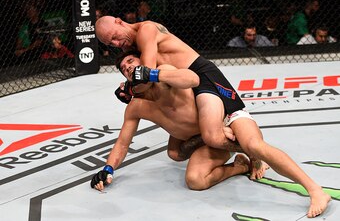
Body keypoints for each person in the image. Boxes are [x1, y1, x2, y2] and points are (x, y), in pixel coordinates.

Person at [95, 16, 330, 218]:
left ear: (119, 21)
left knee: (221, 137)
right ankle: (242, 158)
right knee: (177, 153)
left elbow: (149, 72)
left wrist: (133, 85)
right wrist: (108, 169)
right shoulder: (133, 62)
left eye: (115, 37)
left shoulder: (145, 30)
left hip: (201, 76)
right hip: (188, 89)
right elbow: (140, 84)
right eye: (110, 44)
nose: (117, 45)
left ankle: (310, 186)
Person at [91, 50, 253, 192]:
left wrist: (151, 74)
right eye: (124, 69)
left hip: (218, 127)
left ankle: (250, 151)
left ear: (143, 60)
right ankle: (240, 167)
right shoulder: (136, 106)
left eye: (131, 61)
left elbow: (193, 79)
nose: (127, 67)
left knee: (194, 173)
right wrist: (108, 169)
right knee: (178, 157)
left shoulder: (163, 74)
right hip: (200, 137)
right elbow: (122, 143)